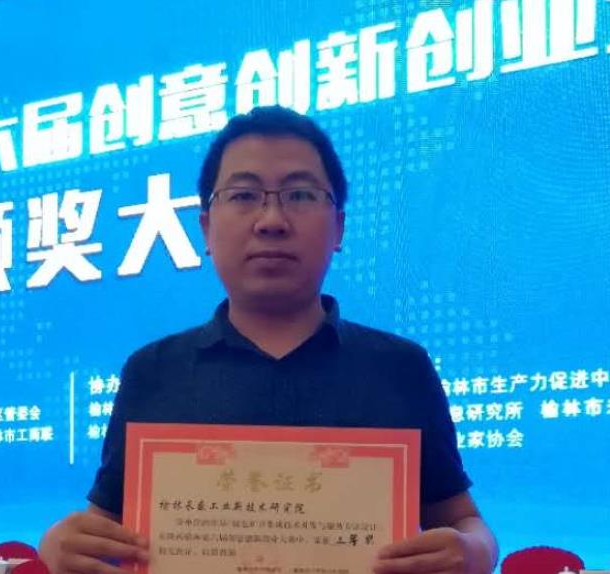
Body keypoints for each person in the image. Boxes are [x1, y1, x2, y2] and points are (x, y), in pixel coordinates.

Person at [39, 106, 497, 574]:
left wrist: (474, 552)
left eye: (300, 194)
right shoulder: (153, 371)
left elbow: (463, 519)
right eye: (244, 195)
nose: (271, 220)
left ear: (338, 228)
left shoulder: (400, 367)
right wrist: (61, 546)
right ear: (206, 228)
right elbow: (107, 526)